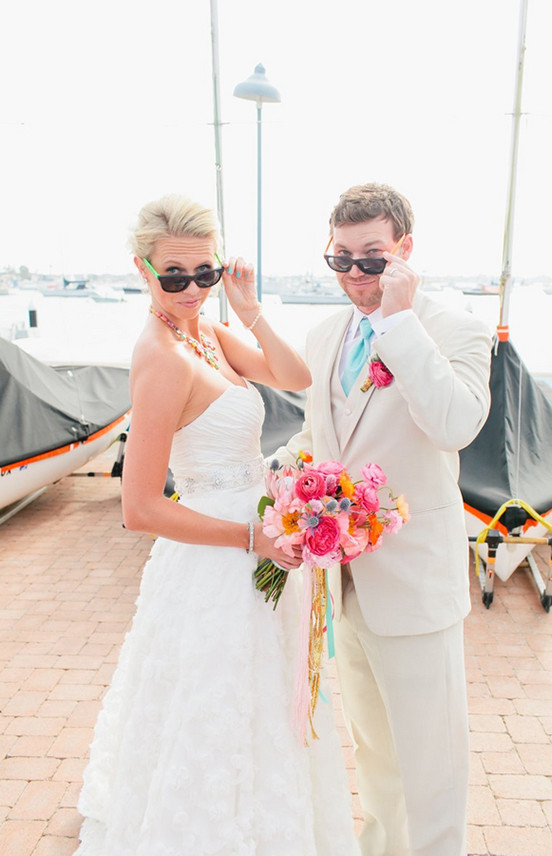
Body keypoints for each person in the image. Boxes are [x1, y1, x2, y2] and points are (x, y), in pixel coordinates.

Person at [74, 194, 359, 856]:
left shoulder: (204, 331)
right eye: (174, 276)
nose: (190, 289)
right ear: (142, 269)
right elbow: (139, 507)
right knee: (216, 701)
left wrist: (249, 308)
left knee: (263, 697)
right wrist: (250, 538)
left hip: (261, 541)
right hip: (218, 554)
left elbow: (294, 375)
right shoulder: (162, 358)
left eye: (204, 273)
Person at [274, 183, 492, 856]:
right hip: (343, 587)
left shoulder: (456, 331)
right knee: (375, 757)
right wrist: (278, 477)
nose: (354, 273)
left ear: (405, 250)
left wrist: (399, 325)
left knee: (433, 764)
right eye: (340, 259)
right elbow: (322, 437)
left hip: (416, 589)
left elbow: (455, 425)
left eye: (371, 257)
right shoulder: (322, 335)